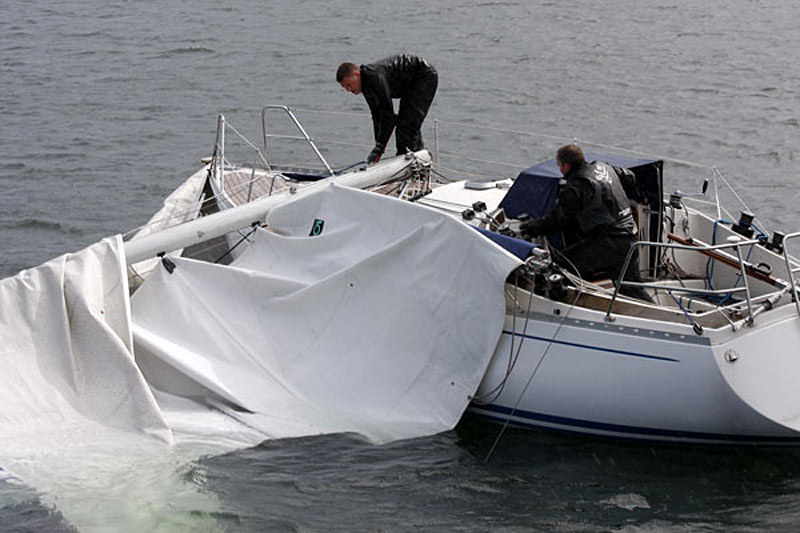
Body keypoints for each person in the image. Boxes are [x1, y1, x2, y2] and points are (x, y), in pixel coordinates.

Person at [520, 144, 654, 302]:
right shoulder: (604, 168)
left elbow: (558, 220)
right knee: (631, 290)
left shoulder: (577, 186)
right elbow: (630, 177)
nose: (560, 170)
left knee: (562, 265)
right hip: (629, 238)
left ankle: (564, 306)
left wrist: (531, 228)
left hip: (607, 243)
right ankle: (664, 318)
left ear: (566, 165)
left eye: (559, 165)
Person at [336, 54, 438, 164]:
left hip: (423, 77)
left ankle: (410, 163)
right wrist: (378, 145)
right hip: (409, 85)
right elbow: (376, 116)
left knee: (407, 125)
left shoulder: (374, 77)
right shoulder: (365, 85)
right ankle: (416, 159)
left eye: (349, 84)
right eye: (344, 87)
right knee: (406, 124)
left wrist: (380, 147)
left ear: (357, 74)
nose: (348, 89)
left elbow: (387, 114)